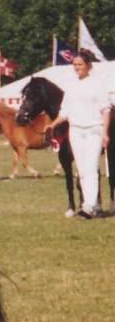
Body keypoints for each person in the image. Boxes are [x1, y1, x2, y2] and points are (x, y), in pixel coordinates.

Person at [48, 50, 111, 218]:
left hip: (94, 129)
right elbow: (65, 112)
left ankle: (89, 206)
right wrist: (52, 125)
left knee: (91, 167)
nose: (77, 68)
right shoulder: (71, 86)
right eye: (74, 65)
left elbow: (106, 110)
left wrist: (105, 133)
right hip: (76, 130)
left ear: (88, 65)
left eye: (80, 65)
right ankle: (93, 205)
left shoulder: (97, 84)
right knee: (82, 170)